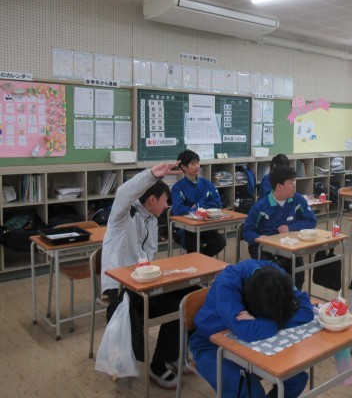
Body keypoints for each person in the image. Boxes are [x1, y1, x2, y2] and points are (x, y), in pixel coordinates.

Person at [101, 162, 188, 389]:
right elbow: (123, 193)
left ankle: (167, 357)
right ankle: (147, 365)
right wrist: (151, 175)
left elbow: (149, 252)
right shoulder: (123, 216)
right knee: (126, 311)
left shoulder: (152, 219)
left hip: (144, 283)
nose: (167, 206)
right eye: (165, 201)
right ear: (152, 199)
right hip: (119, 286)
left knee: (187, 299)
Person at [190, 259, 314, 398]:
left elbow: (306, 311)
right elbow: (247, 331)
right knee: (251, 393)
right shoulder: (226, 285)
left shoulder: (275, 274)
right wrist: (279, 319)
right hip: (211, 346)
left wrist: (263, 322)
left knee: (296, 380)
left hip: (253, 345)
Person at [242, 167, 317, 290]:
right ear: (279, 186)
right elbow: (247, 231)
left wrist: (290, 227)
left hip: (288, 246)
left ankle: (294, 298)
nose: (294, 186)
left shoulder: (297, 200)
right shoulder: (261, 206)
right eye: (290, 183)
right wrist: (259, 238)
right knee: (273, 276)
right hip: (265, 249)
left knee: (298, 273)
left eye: (294, 182)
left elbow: (311, 220)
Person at [171, 149, 226, 256]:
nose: (197, 166)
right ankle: (198, 261)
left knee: (220, 242)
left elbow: (217, 203)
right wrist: (203, 207)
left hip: (204, 226)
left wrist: (197, 206)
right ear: (183, 167)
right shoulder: (178, 187)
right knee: (195, 248)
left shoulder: (206, 183)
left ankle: (200, 260)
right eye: (193, 164)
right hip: (184, 229)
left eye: (198, 163)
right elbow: (178, 210)